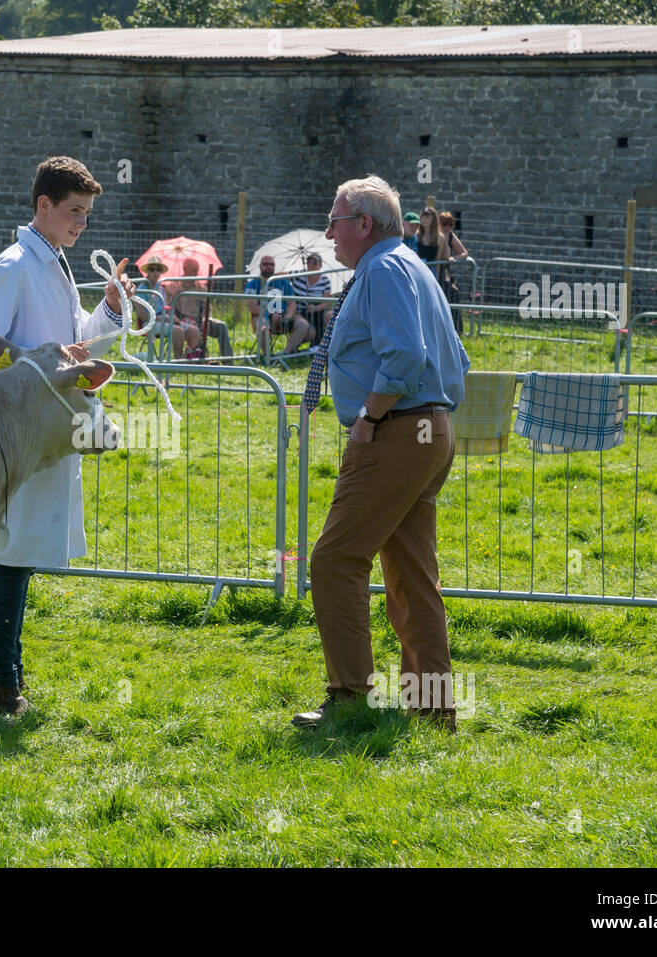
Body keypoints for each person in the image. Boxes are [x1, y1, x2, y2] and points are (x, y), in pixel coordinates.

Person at [293, 174, 470, 733]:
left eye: (334, 221)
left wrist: (369, 418)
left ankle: (348, 696)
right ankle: (432, 707)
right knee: (412, 576)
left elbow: (405, 356)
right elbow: (456, 359)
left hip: (397, 430)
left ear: (363, 224)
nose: (328, 233)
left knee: (334, 560)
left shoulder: (385, 269)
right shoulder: (410, 264)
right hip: (427, 430)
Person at [0, 156, 133, 716]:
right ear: (43, 206)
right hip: (17, 431)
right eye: (73, 212)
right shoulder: (12, 265)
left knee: (23, 552)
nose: (81, 224)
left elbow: (74, 341)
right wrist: (37, 371)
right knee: (12, 553)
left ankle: (5, 672)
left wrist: (107, 309)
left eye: (86, 214)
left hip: (48, 428)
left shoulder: (52, 261)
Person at [166, 257, 232, 359]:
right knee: (193, 327)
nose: (197, 272)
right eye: (194, 270)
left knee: (221, 326)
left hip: (200, 320)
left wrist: (206, 318)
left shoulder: (202, 288)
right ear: (185, 269)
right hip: (181, 321)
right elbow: (167, 307)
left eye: (197, 269)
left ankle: (228, 360)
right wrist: (175, 294)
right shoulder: (173, 285)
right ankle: (187, 358)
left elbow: (207, 308)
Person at [246, 255, 308, 358]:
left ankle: (285, 354)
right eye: (266, 264)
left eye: (271, 264)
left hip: (283, 317)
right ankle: (268, 357)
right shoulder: (253, 283)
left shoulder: (283, 281)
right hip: (262, 316)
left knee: (303, 324)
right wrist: (269, 313)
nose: (269, 266)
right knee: (263, 328)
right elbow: (252, 306)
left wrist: (288, 316)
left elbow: (292, 303)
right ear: (260, 266)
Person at [290, 252, 333, 344]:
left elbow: (326, 303)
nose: (311, 265)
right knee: (309, 329)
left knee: (330, 315)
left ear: (320, 266)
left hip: (317, 312)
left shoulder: (325, 280)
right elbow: (282, 275)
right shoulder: (298, 274)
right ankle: (294, 351)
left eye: (314, 263)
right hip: (299, 311)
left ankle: (325, 346)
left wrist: (315, 308)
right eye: (308, 262)